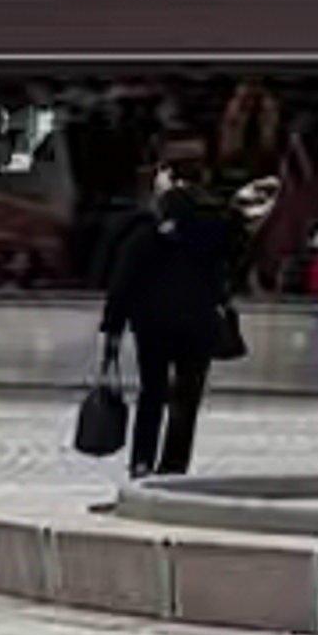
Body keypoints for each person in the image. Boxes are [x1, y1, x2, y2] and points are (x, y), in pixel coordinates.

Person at [99, 145, 249, 485]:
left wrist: (113, 328)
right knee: (187, 397)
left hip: (153, 323)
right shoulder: (218, 220)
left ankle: (141, 461)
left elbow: (125, 277)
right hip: (199, 321)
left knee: (152, 393)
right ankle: (174, 466)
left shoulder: (149, 220)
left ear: (168, 175)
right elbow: (234, 264)